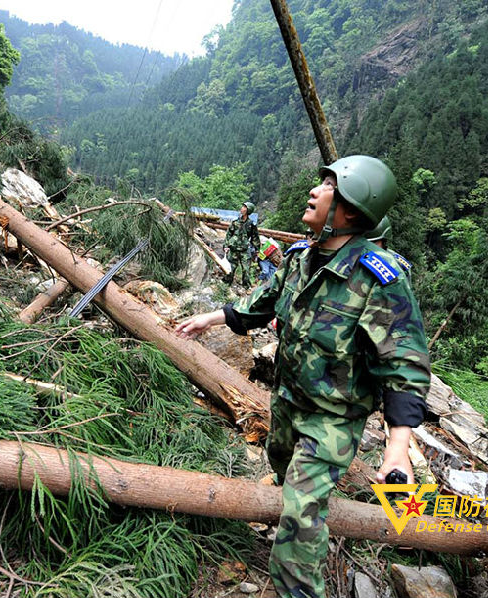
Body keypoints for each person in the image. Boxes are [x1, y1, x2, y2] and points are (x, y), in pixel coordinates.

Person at [176, 156, 430, 598]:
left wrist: (398, 450)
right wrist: (209, 319)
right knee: (278, 467)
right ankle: (280, 506)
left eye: (329, 185)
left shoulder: (379, 278)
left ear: (351, 207)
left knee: (301, 510)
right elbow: (263, 302)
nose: (314, 190)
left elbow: (403, 365)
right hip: (287, 401)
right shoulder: (301, 257)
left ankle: (297, 586)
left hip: (332, 418)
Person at [223, 201, 259, 287]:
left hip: (244, 250)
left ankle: (246, 287)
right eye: (242, 206)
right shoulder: (235, 222)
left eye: (244, 207)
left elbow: (255, 237)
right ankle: (226, 286)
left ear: (248, 210)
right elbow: (228, 234)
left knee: (246, 270)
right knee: (230, 269)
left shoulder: (251, 224)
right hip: (233, 249)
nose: (242, 208)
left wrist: (257, 250)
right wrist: (226, 246)